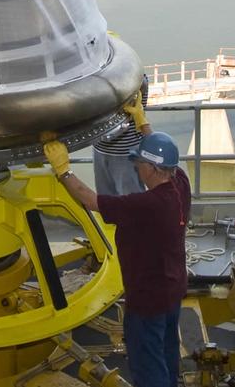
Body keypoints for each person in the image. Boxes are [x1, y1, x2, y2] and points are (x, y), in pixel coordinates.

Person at [44, 131, 190, 387]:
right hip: (172, 290)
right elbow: (164, 153)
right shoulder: (180, 182)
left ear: (154, 169)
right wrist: (144, 128)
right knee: (166, 353)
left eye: (140, 163)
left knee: (147, 364)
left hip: (147, 300)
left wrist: (63, 170)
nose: (136, 167)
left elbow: (90, 200)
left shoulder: (144, 205)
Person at [93, 77, 153, 196]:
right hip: (100, 148)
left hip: (125, 153)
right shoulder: (98, 72)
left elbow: (140, 84)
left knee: (132, 203)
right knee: (106, 202)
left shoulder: (132, 74)